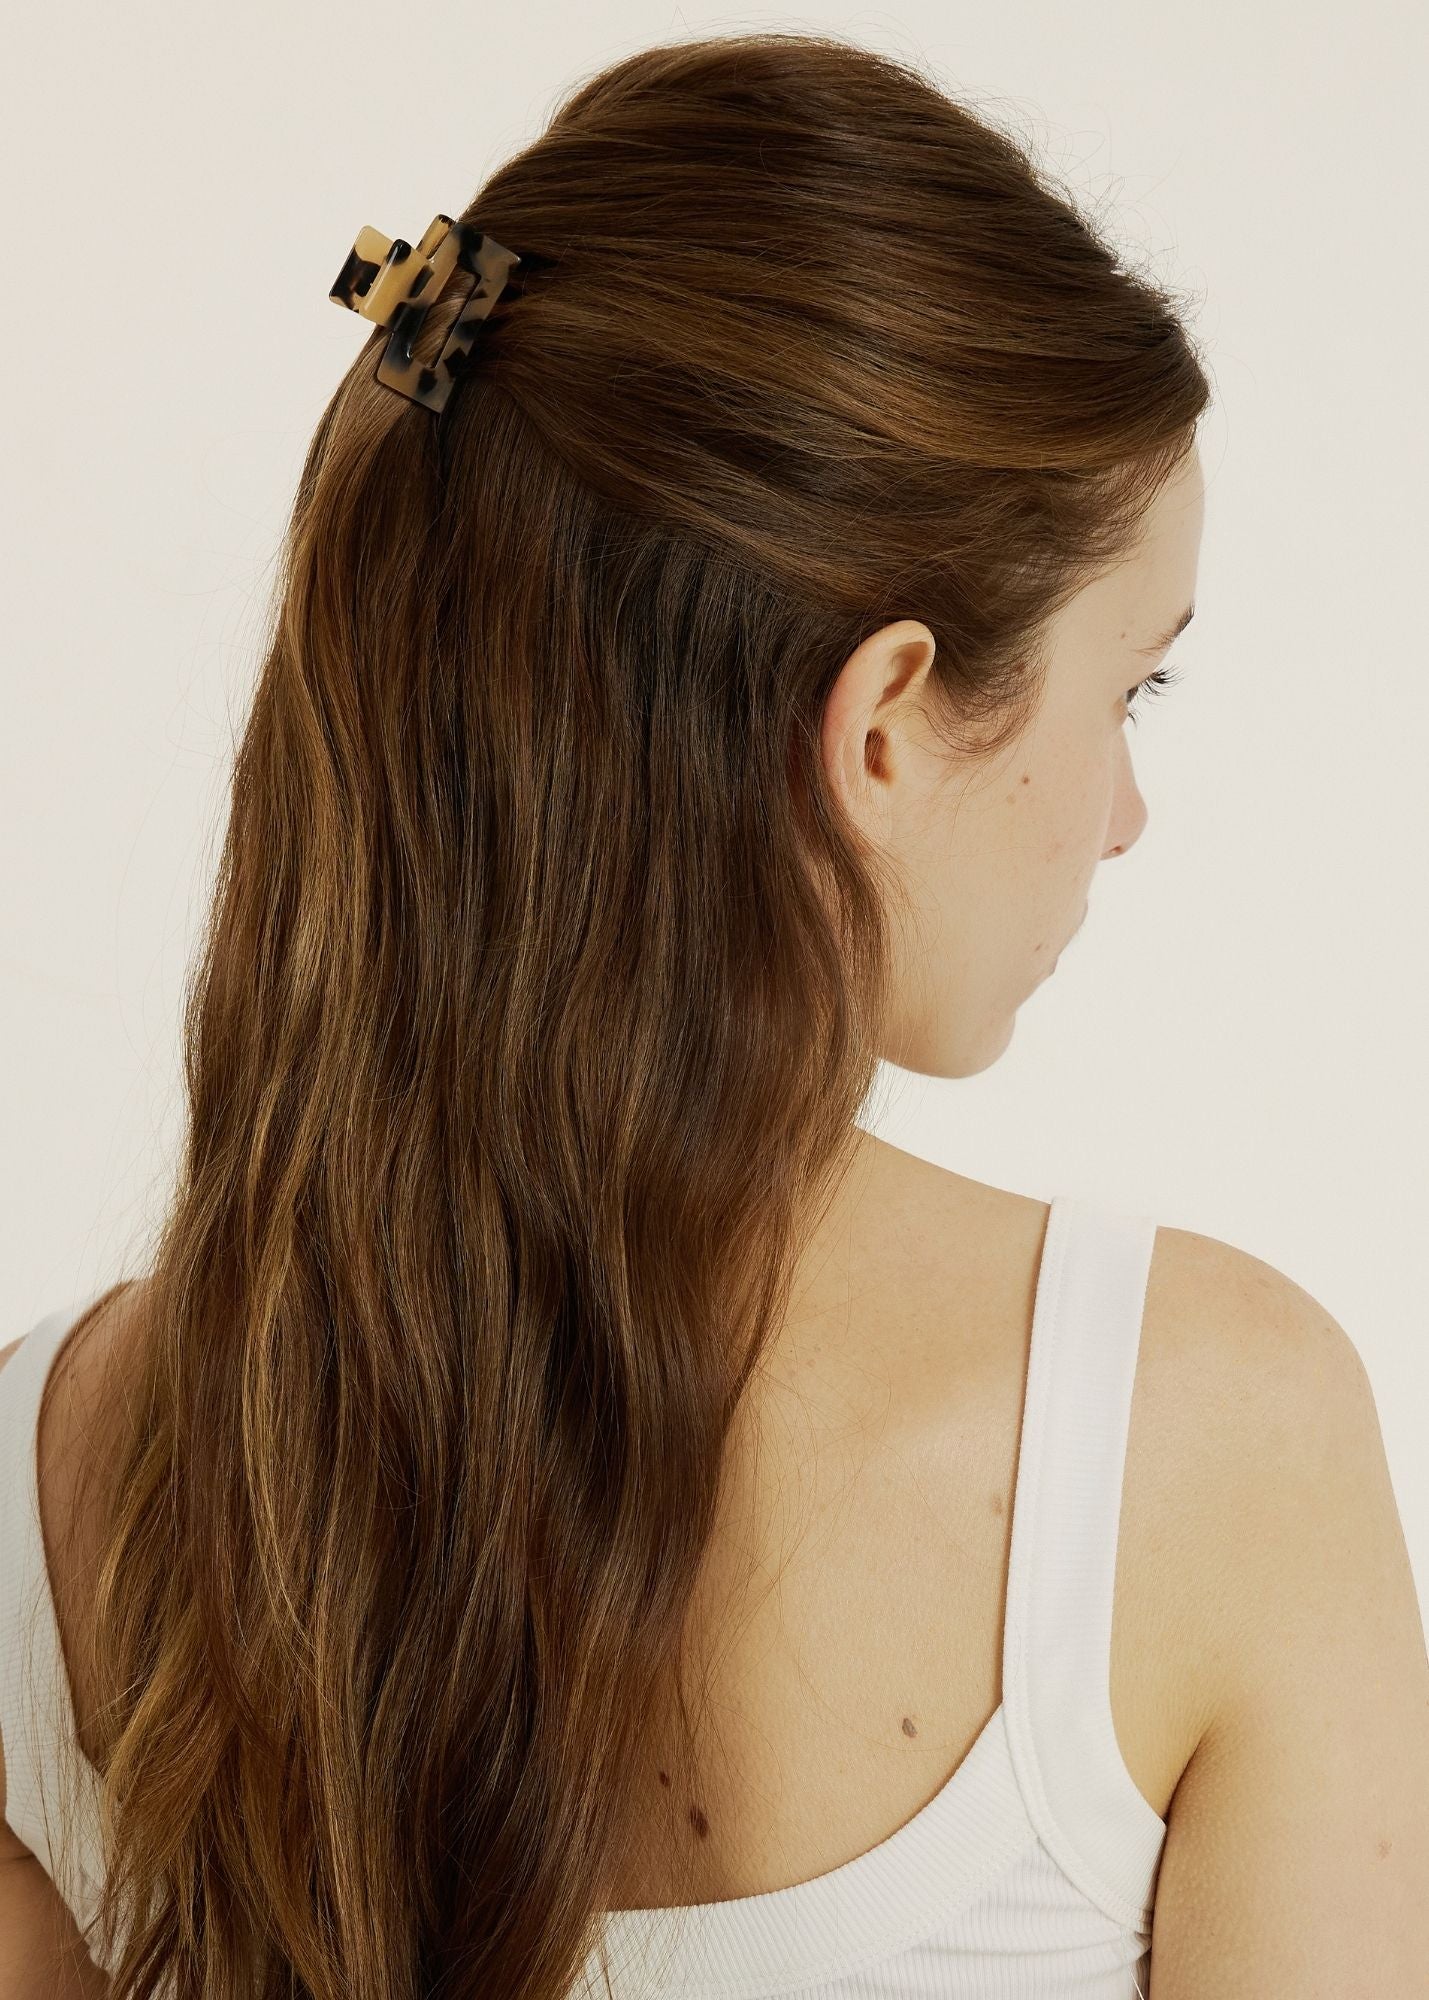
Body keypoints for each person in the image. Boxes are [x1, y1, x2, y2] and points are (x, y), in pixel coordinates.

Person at [2, 28, 1426, 2000]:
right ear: (882, 719)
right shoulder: (1201, 1441)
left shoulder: (47, 1479)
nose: (1122, 812)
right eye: (1129, 689)